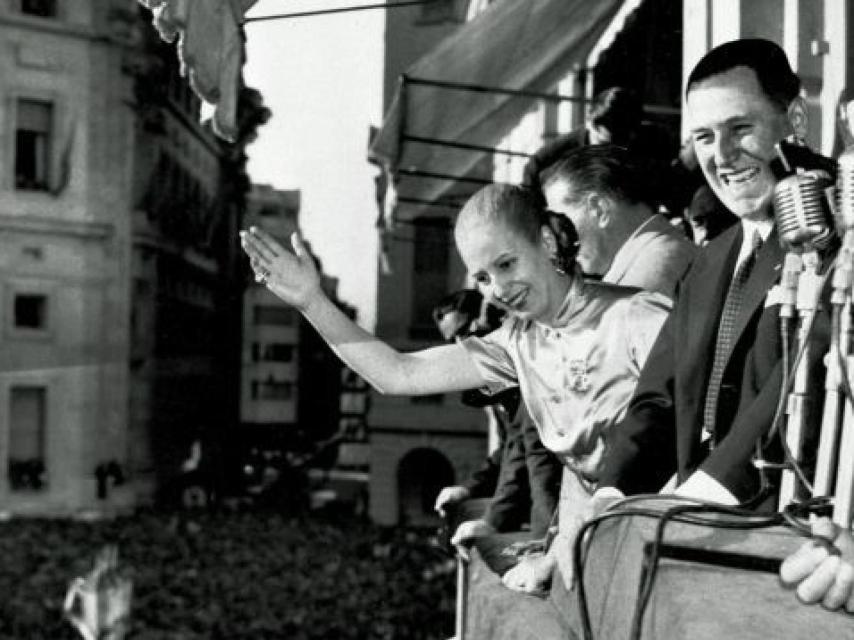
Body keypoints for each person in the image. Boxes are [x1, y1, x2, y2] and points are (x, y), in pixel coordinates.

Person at [241, 183, 671, 594]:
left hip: (668, 539)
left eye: (506, 264)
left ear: (546, 241)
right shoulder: (518, 342)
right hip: (598, 544)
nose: (498, 290)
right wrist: (312, 302)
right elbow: (398, 373)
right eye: (482, 278)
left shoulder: (638, 315)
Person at [595, 39, 828, 510]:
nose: (721, 156)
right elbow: (659, 398)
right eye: (703, 137)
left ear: (796, 119)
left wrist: (706, 493)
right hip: (705, 535)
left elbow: (812, 363)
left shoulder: (835, 221)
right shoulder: (709, 258)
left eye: (740, 128)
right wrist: (613, 492)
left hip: (803, 537)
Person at [539, 144, 696, 299]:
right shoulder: (678, 253)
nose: (559, 241)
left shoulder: (635, 291)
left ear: (599, 209)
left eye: (560, 223)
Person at [521, 87, 644, 196]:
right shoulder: (566, 149)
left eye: (618, 146)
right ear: (590, 124)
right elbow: (534, 166)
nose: (608, 153)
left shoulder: (646, 142)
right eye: (603, 144)